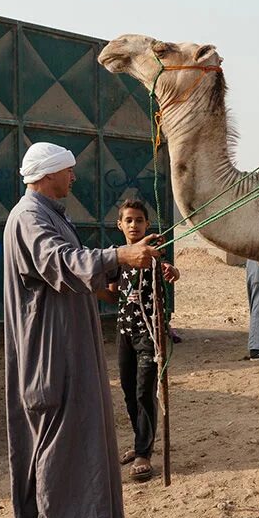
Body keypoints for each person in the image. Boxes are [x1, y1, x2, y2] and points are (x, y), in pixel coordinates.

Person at [4, 142, 160, 518]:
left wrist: (118, 269)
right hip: (49, 346)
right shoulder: (30, 217)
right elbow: (59, 260)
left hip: (69, 339)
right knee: (60, 428)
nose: (73, 177)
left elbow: (71, 269)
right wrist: (120, 254)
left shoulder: (50, 214)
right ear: (49, 173)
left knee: (82, 424)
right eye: (68, 171)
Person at [97, 199, 179, 483]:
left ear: (147, 224)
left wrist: (172, 272)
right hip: (125, 333)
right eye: (128, 220)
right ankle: (139, 440)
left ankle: (144, 453)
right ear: (120, 224)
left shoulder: (153, 255)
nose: (134, 225)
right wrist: (92, 289)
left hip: (150, 333)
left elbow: (170, 271)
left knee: (145, 391)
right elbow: (111, 295)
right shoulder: (117, 259)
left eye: (139, 220)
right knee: (129, 391)